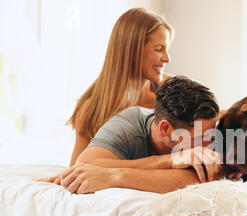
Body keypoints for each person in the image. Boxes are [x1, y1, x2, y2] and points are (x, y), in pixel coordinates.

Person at [43, 76, 224, 194]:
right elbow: (83, 166)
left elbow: (196, 180)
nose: (208, 144)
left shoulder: (214, 131)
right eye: (199, 138)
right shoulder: (129, 126)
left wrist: (115, 176)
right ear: (165, 129)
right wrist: (170, 160)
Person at [67, 8, 174, 166]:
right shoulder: (92, 108)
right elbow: (76, 171)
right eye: (159, 49)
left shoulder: (171, 92)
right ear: (132, 50)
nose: (167, 58)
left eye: (167, 49)